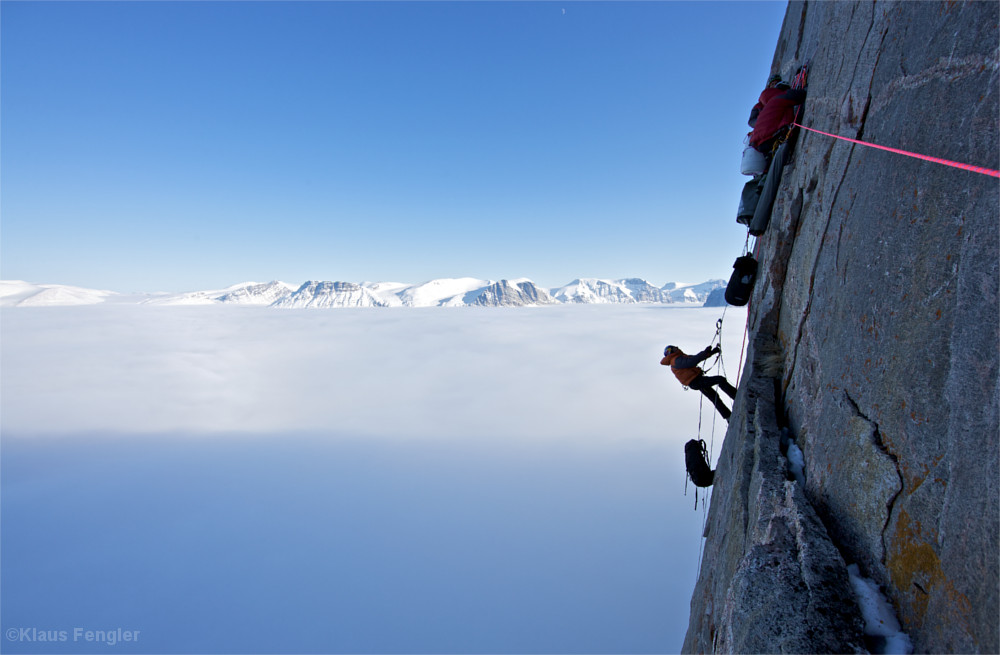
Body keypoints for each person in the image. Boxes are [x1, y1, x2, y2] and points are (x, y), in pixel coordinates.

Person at [661, 344, 737, 420]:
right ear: (671, 351)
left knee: (714, 397)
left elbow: (695, 358)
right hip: (696, 381)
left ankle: (728, 417)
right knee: (720, 380)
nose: (677, 347)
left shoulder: (678, 358)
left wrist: (710, 353)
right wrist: (706, 352)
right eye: (674, 348)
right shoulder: (676, 360)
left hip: (696, 381)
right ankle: (736, 396)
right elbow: (693, 361)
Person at [748, 73, 807, 155]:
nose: (774, 84)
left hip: (763, 135)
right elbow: (751, 121)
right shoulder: (759, 105)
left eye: (776, 82)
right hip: (768, 131)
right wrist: (764, 120)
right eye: (772, 83)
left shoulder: (775, 98)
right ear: (769, 86)